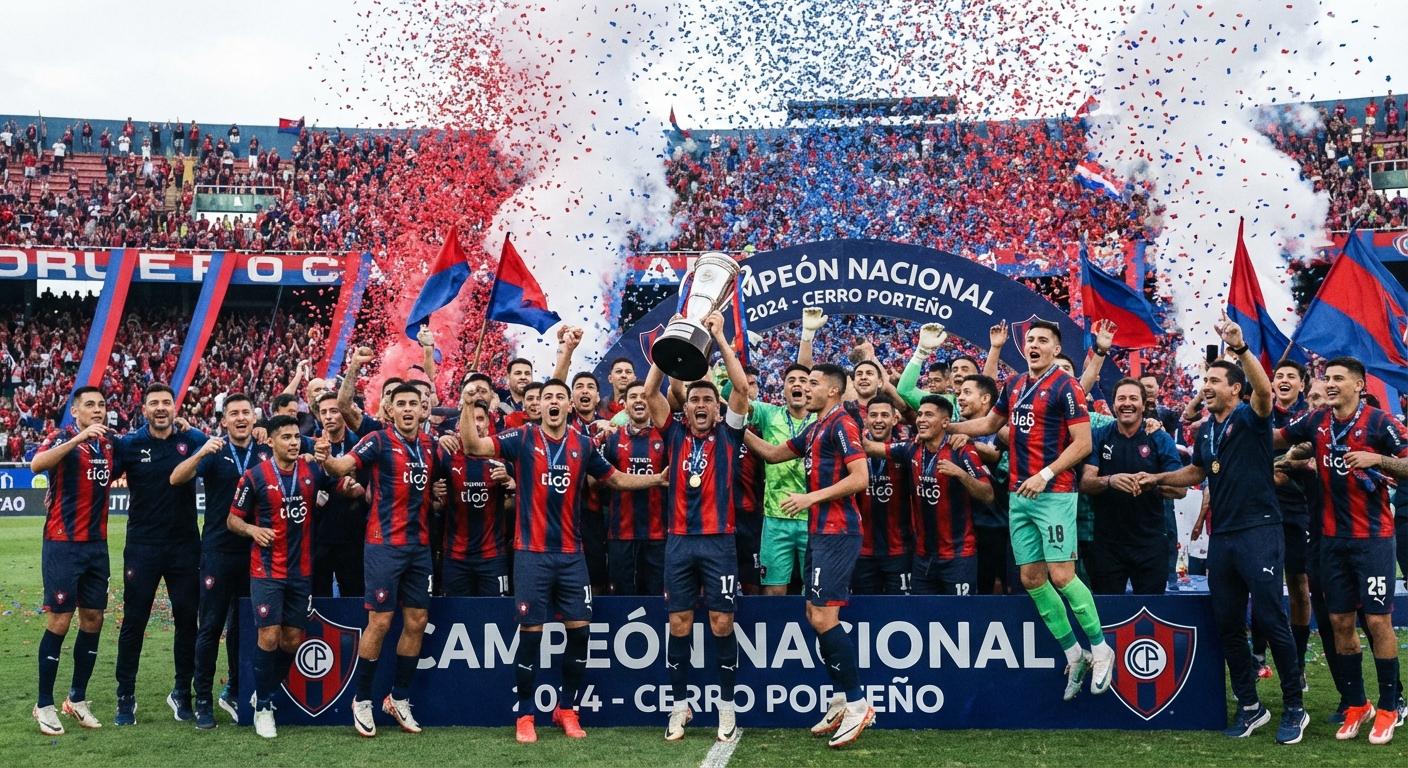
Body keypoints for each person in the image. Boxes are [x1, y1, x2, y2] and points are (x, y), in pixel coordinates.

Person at [460, 378, 665, 743]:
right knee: (531, 637)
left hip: (572, 556)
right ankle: (525, 714)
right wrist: (465, 404)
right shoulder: (521, 438)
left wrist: (657, 478)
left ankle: (566, 708)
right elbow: (474, 446)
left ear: (570, 406)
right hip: (531, 555)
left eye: (560, 397)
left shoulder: (584, 445)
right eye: (548, 397)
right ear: (539, 405)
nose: (553, 402)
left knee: (580, 634)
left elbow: (615, 478)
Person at [1139, 314, 1307, 744]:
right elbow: (1197, 471)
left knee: (1270, 620)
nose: (1207, 385)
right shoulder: (1207, 431)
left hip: (1260, 531)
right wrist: (1157, 479)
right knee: (1229, 623)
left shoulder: (1253, 418)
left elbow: (1266, 393)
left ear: (1236, 388)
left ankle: (1294, 707)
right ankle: (1251, 706)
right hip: (1225, 538)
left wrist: (1240, 348)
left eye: (1216, 380)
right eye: (1205, 379)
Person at [947, 319, 1111, 702]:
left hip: (1053, 492)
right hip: (1021, 495)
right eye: (1030, 340)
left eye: (1042, 340)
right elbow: (990, 422)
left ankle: (1101, 648)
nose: (1033, 344)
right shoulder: (1016, 385)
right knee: (1033, 579)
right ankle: (1075, 653)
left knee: (1062, 574)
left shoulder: (1066, 386)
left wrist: (1046, 473)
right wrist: (947, 425)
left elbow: (1083, 443)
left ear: (1056, 349)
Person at [1276, 357, 1408, 744]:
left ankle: (1389, 707)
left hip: (1373, 540)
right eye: (1326, 378)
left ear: (1360, 385)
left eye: (1338, 379)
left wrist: (1377, 459)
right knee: (1339, 624)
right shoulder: (1317, 421)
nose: (1330, 384)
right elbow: (1280, 437)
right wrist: (1237, 426)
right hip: (1331, 542)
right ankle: (1356, 704)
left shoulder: (1381, 422)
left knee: (1379, 622)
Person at [744, 363, 874, 749]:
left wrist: (810, 498)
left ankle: (857, 703)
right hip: (820, 531)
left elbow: (860, 478)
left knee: (823, 615)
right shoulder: (816, 427)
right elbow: (770, 453)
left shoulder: (842, 424)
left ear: (833, 391)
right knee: (813, 615)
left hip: (838, 531)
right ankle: (839, 699)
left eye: (814, 383)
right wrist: (734, 425)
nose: (806, 388)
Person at [642, 311, 750, 742]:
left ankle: (726, 706)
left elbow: (742, 388)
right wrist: (669, 343)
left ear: (716, 407)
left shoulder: (730, 434)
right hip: (680, 543)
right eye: (695, 400)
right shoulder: (673, 434)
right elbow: (650, 392)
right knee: (679, 624)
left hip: (719, 542)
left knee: (722, 623)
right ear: (684, 407)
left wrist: (721, 338)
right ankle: (679, 705)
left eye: (708, 400)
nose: (701, 406)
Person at [321, 384, 450, 737]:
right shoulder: (378, 441)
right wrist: (326, 460)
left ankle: (399, 697)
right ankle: (361, 698)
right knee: (379, 622)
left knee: (417, 620)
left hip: (420, 547)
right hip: (383, 546)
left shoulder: (432, 447)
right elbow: (343, 465)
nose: (407, 409)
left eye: (414, 404)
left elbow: (445, 481)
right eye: (400, 404)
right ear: (389, 410)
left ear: (424, 410)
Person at [227, 416, 342, 738]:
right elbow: (232, 520)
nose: (294, 442)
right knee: (269, 636)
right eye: (286, 437)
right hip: (266, 571)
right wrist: (252, 529)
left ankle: (262, 692)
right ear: (271, 442)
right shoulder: (254, 477)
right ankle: (263, 706)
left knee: (292, 640)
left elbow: (341, 481)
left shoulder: (312, 471)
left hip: (301, 571)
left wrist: (335, 465)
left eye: (296, 437)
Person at [170, 393, 272, 729]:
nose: (241, 418)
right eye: (234, 414)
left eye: (246, 412)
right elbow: (177, 478)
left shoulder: (263, 452)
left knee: (243, 626)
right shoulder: (214, 452)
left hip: (255, 551)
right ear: (223, 421)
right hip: (217, 551)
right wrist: (201, 450)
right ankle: (203, 701)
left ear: (254, 419)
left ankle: (236, 690)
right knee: (210, 626)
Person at [111, 383, 208, 725]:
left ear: (175, 407)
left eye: (167, 402)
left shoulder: (191, 441)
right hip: (142, 547)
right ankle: (125, 696)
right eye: (155, 403)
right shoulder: (129, 445)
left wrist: (192, 427)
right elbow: (99, 478)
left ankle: (182, 692)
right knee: (134, 622)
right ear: (144, 408)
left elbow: (219, 448)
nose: (162, 408)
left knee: (186, 620)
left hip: (184, 547)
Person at [30, 387, 114, 734]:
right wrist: (78, 437)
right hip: (62, 545)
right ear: (75, 411)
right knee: (60, 622)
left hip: (97, 545)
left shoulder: (110, 444)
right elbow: (37, 463)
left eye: (102, 405)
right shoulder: (62, 437)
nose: (97, 410)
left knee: (93, 618)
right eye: (90, 405)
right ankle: (44, 703)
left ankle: (76, 699)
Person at [870, 395, 994, 595]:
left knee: (960, 618)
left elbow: (988, 494)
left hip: (958, 556)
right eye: (919, 415)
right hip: (922, 558)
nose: (921, 419)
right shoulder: (911, 448)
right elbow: (870, 447)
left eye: (929, 415)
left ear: (945, 422)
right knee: (922, 617)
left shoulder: (961, 449)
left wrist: (960, 474)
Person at [1078, 379, 1184, 595]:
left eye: (1133, 398)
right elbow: (1086, 483)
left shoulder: (1159, 438)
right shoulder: (1100, 436)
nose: (1127, 403)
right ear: (1114, 404)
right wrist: (1111, 480)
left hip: (1151, 543)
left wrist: (1152, 483)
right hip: (1107, 544)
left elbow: (1180, 489)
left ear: (1144, 405)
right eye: (1122, 398)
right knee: (1109, 613)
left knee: (1151, 612)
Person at [599, 380, 668, 596]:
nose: (639, 400)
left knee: (656, 598)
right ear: (624, 404)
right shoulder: (612, 440)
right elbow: (602, 482)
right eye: (633, 397)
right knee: (621, 598)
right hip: (621, 534)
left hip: (657, 535)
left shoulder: (665, 437)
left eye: (644, 396)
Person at [441, 400, 513, 596]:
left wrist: (511, 484)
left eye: (480, 419)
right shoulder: (445, 456)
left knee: (496, 616)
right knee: (454, 615)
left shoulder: (502, 459)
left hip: (492, 557)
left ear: (489, 424)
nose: (476, 424)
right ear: (459, 425)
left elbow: (523, 493)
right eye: (470, 419)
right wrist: (435, 491)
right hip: (455, 556)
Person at [852, 393, 914, 595]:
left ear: (895, 419)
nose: (878, 420)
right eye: (874, 415)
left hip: (899, 550)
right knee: (865, 612)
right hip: (862, 550)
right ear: (866, 419)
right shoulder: (853, 451)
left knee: (902, 610)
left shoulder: (908, 450)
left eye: (884, 415)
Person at [309, 393, 367, 598]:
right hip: (320, 535)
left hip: (353, 535)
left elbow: (367, 484)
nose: (328, 417)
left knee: (354, 595)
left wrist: (357, 490)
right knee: (319, 597)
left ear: (344, 413)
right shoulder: (309, 445)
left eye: (334, 411)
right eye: (323, 412)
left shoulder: (360, 444)